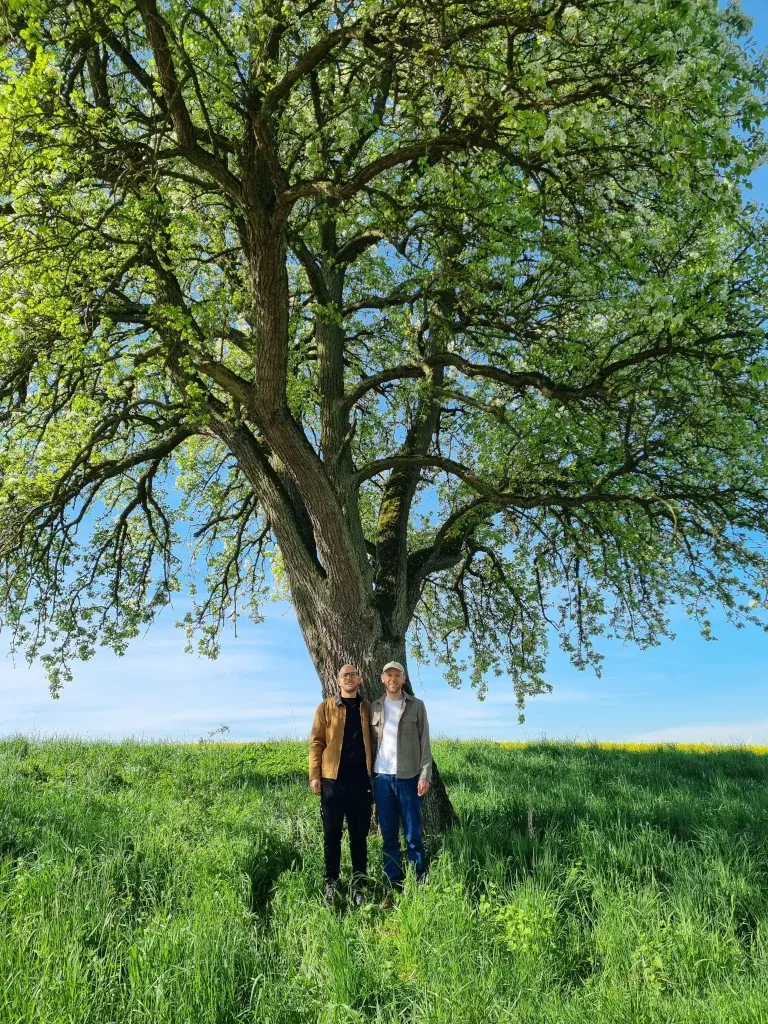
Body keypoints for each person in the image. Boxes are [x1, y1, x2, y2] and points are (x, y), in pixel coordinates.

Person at [308, 664, 373, 904]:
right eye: (344, 675)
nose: (349, 678)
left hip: (360, 781)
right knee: (332, 834)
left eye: (353, 674)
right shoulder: (325, 707)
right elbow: (316, 742)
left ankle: (359, 885)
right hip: (332, 780)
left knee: (359, 836)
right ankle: (332, 882)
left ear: (360, 679)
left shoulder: (368, 708)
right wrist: (315, 775)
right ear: (338, 680)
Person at [371, 661, 432, 897]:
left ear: (403, 679)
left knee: (412, 835)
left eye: (397, 675)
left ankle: (419, 882)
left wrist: (425, 775)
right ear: (382, 679)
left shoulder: (417, 706)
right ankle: (392, 884)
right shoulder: (374, 707)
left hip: (408, 778)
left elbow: (425, 742)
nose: (393, 679)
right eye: (389, 675)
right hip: (382, 779)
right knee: (388, 836)